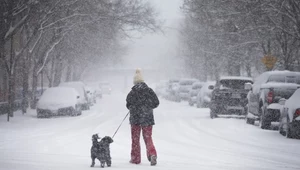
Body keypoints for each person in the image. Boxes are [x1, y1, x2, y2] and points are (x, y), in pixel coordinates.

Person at [126, 69, 160, 166]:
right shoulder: (149, 91)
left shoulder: (132, 92)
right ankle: (152, 154)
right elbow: (156, 103)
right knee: (148, 138)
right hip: (147, 118)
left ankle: (135, 158)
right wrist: (148, 107)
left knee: (135, 140)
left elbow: (128, 104)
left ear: (135, 82)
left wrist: (134, 107)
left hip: (135, 119)